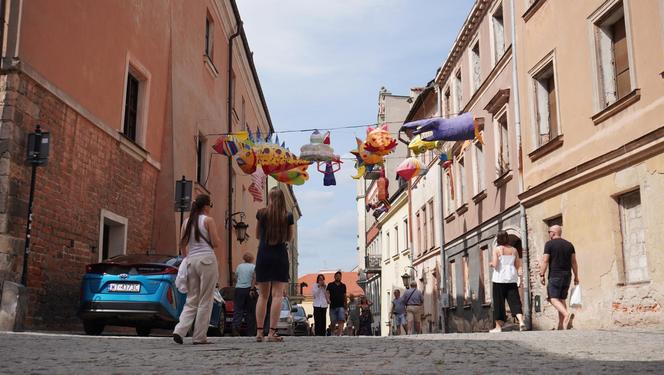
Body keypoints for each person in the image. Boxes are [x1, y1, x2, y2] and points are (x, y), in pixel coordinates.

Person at [173, 194, 222, 345]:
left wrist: (186, 257)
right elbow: (215, 243)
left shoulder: (187, 222)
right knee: (205, 299)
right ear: (206, 206)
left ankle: (179, 330)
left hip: (191, 260)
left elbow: (182, 244)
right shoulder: (208, 220)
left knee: (192, 299)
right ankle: (199, 336)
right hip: (206, 259)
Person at [254, 187, 294, 342]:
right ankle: (271, 333)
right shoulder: (287, 216)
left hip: (263, 254)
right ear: (283, 200)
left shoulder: (261, 213)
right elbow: (289, 238)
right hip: (280, 256)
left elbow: (257, 235)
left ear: (270, 199)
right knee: (277, 295)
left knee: (263, 295)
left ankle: (258, 332)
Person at [540, 225, 579, 330]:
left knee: (553, 298)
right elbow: (574, 262)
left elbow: (545, 260)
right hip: (567, 276)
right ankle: (561, 326)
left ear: (553, 233)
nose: (549, 234)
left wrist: (542, 274)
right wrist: (576, 276)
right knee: (561, 300)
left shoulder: (549, 244)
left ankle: (566, 314)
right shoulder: (569, 245)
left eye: (549, 232)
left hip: (555, 275)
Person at [489, 231, 526, 333]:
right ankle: (521, 321)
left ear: (498, 239)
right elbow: (518, 265)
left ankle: (498, 327)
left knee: (499, 303)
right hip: (511, 278)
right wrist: (519, 276)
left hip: (499, 279)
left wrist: (491, 264)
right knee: (515, 301)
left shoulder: (497, 249)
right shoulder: (514, 250)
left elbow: (496, 264)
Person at [232, 252, 257, 336]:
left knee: (238, 310)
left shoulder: (239, 266)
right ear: (252, 259)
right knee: (250, 311)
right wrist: (252, 289)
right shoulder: (253, 267)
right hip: (249, 289)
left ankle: (236, 329)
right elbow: (254, 278)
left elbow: (235, 277)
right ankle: (250, 331)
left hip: (239, 289)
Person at [326, 271, 347, 336]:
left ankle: (339, 334)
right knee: (333, 321)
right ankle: (332, 333)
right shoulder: (330, 285)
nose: (338, 277)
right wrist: (328, 300)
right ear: (334, 277)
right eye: (337, 276)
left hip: (341, 306)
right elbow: (327, 293)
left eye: (339, 276)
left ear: (341, 277)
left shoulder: (343, 285)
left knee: (341, 320)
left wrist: (346, 305)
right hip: (333, 306)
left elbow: (345, 295)